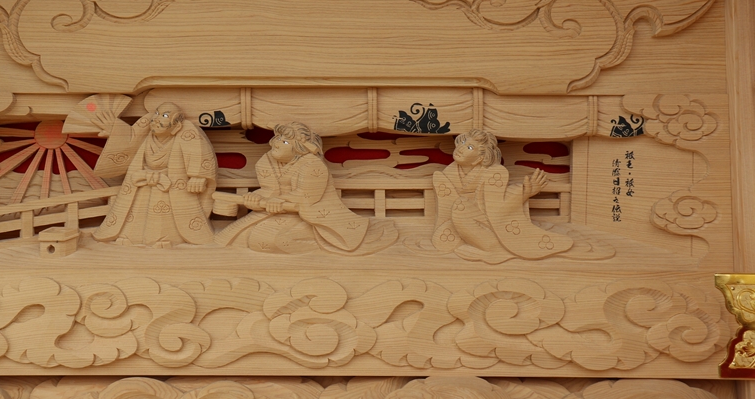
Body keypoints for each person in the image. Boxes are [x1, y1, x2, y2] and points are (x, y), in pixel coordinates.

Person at [214, 122, 397, 254]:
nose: (276, 143)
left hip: (311, 214)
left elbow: (307, 196)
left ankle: (320, 244)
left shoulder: (312, 165)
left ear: (299, 149)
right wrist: (255, 198)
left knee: (269, 240)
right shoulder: (267, 161)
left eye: (285, 142)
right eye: (278, 138)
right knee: (237, 237)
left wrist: (279, 201)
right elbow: (269, 190)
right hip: (276, 212)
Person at [432, 129, 572, 262]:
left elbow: (497, 204)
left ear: (479, 158)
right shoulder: (449, 173)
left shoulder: (493, 173)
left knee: (460, 207)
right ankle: (480, 243)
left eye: (469, 147)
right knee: (442, 239)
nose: (461, 148)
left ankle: (492, 249)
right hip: (461, 219)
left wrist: (525, 191)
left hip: (487, 219)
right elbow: (446, 204)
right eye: (463, 142)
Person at [92, 102, 217, 247]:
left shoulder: (186, 135)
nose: (156, 119)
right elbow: (130, 140)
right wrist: (115, 130)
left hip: (170, 185)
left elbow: (198, 152)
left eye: (165, 116)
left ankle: (165, 239)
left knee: (165, 214)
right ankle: (130, 237)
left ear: (177, 126)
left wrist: (198, 176)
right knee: (136, 211)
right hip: (143, 184)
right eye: (156, 113)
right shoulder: (145, 134)